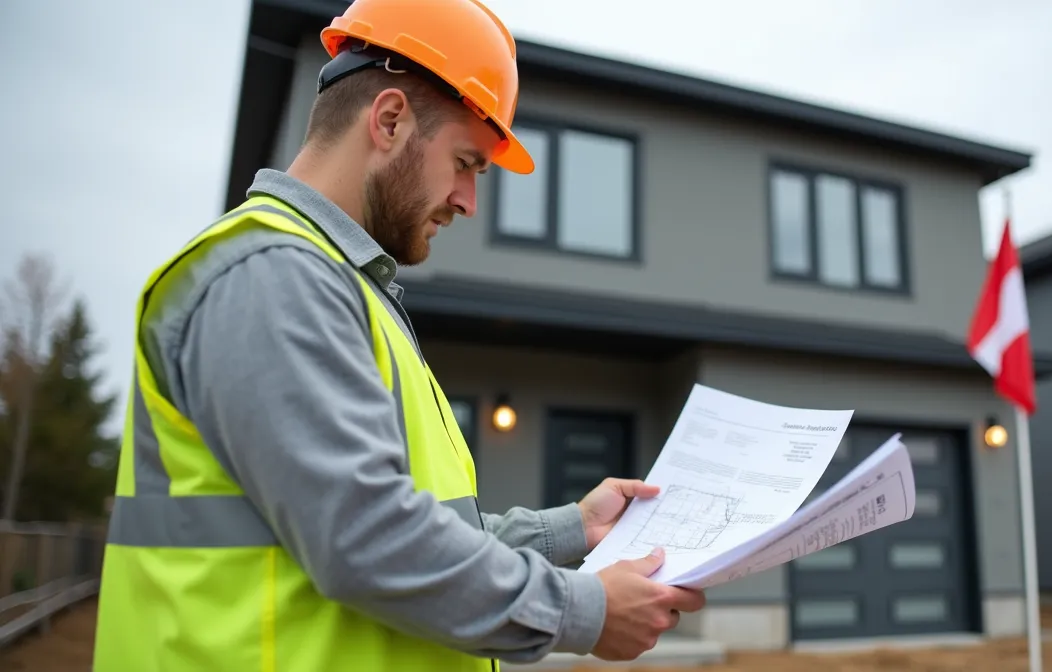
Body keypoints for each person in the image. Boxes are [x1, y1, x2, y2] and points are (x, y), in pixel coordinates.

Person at [91, 0, 706, 669]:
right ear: (388, 121)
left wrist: (572, 530)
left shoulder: (335, 284)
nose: (470, 201)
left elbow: (416, 522)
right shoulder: (274, 276)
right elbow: (367, 537)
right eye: (467, 163)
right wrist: (583, 610)